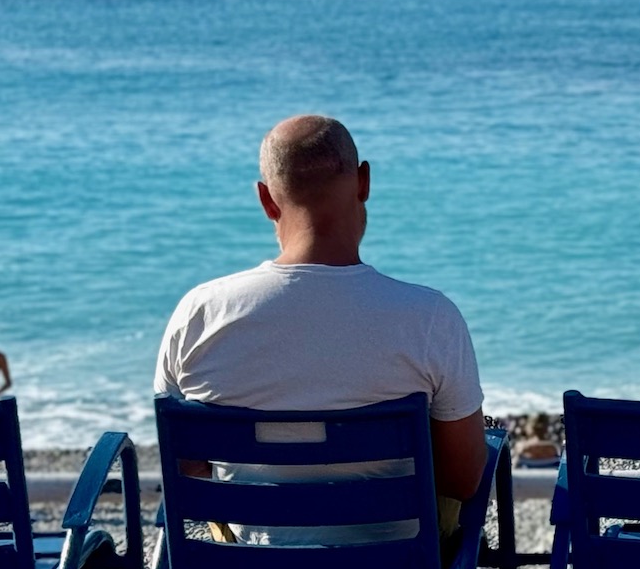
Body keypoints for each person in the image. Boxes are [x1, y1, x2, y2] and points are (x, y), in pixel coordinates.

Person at [154, 115, 487, 542]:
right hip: (396, 559)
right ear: (364, 182)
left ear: (266, 200)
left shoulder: (199, 314)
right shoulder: (430, 318)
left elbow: (185, 467)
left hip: (250, 561)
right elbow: (463, 480)